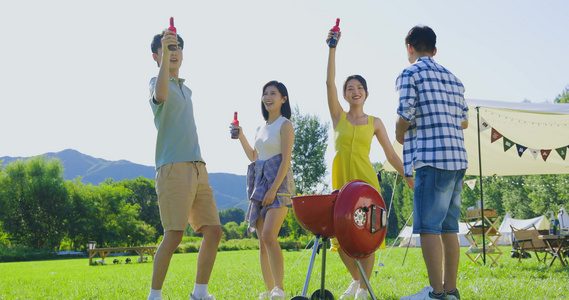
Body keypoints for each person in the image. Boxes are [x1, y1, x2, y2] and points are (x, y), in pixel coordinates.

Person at [326, 29, 414, 300]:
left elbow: (390, 153)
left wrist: (408, 174)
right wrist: (332, 48)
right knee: (339, 238)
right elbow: (328, 82)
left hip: (366, 186)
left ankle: (363, 290)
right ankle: (357, 280)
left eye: (359, 88)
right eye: (350, 88)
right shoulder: (338, 116)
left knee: (368, 235)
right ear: (343, 94)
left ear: (366, 93)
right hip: (341, 184)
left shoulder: (375, 122)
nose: (355, 92)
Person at [147, 29, 222, 300]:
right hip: (172, 168)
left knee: (213, 231)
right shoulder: (158, 83)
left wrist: (169, 49)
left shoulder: (186, 89)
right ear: (156, 55)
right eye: (167, 48)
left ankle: (199, 294)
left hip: (198, 167)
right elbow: (161, 94)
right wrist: (166, 56)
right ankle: (154, 296)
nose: (174, 51)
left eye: (177, 47)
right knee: (174, 235)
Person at [396, 26, 468, 300]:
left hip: (431, 157)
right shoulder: (454, 79)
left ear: (410, 49)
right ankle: (451, 290)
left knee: (427, 227)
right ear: (434, 50)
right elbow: (463, 121)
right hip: (457, 159)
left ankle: (436, 293)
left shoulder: (410, 73)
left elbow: (405, 113)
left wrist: (399, 132)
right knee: (450, 228)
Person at [233, 81, 295, 300]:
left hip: (278, 183)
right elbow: (254, 157)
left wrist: (274, 190)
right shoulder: (261, 127)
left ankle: (280, 288)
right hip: (259, 183)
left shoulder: (285, 124)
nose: (268, 97)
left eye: (273, 94)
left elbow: (285, 161)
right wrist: (241, 135)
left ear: (283, 99)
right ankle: (270, 291)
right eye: (265, 94)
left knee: (269, 236)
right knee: (262, 242)